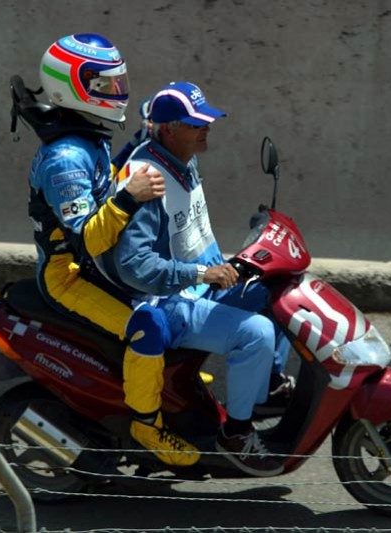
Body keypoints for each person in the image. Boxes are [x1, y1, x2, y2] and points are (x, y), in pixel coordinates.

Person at [96, 81, 291, 476]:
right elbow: (135, 266)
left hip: (202, 285)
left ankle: (262, 388)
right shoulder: (149, 181)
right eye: (195, 123)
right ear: (168, 129)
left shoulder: (183, 158)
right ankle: (235, 433)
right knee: (256, 334)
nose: (206, 129)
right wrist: (202, 273)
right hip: (166, 303)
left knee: (280, 290)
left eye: (208, 121)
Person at [28, 33, 199, 466]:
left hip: (100, 264)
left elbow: (109, 176)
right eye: (105, 85)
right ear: (71, 86)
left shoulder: (89, 134)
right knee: (148, 325)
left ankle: (161, 379)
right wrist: (130, 196)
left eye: (117, 82)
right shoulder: (64, 160)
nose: (117, 92)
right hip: (70, 275)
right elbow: (87, 238)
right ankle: (146, 425)